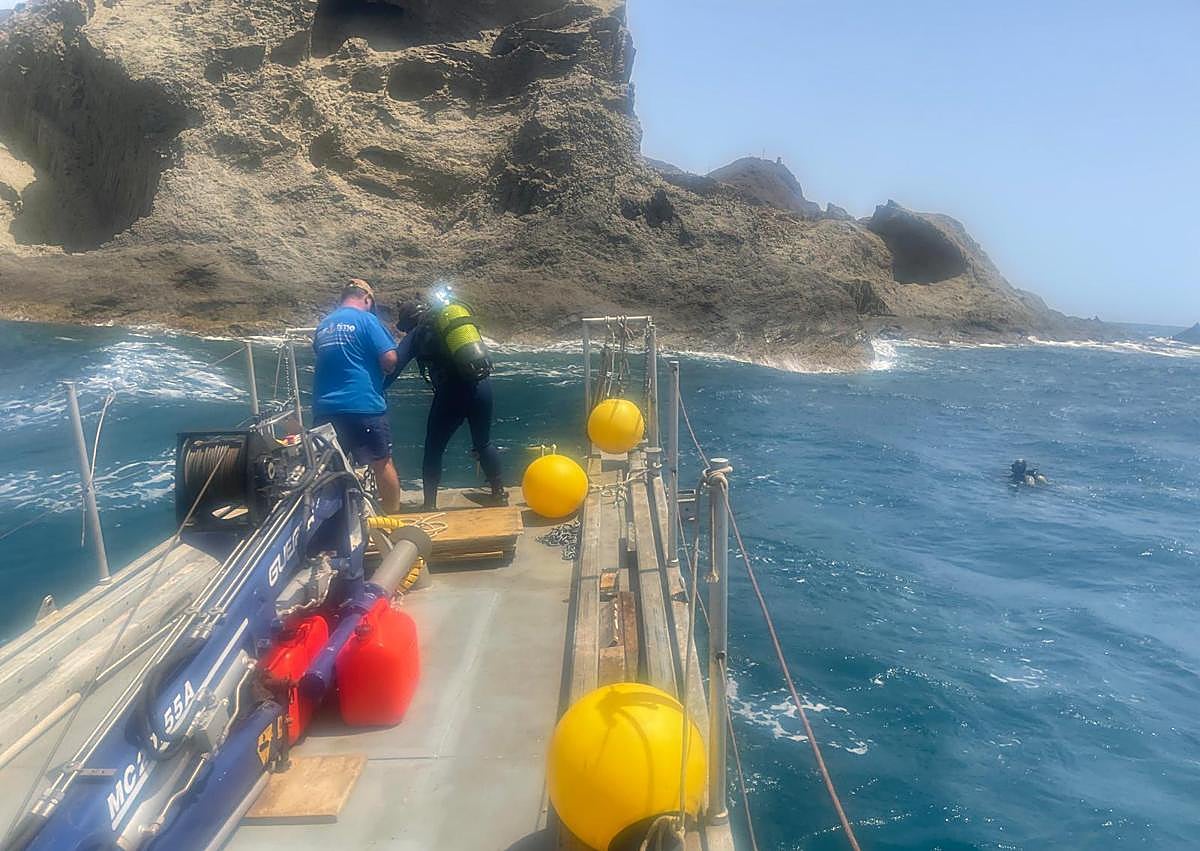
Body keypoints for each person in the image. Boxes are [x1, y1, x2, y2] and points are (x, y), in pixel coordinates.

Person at [390, 296, 505, 510]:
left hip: (452, 393)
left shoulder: (418, 332)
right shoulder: (452, 326)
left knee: (433, 450)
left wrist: (377, 389)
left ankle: (429, 505)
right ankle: (499, 494)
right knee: (483, 443)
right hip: (481, 385)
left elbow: (395, 365)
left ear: (409, 323)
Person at [312, 279, 402, 513]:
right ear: (367, 299)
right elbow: (390, 358)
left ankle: (333, 521)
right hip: (364, 406)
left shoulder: (324, 325)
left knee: (328, 469)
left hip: (325, 409)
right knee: (382, 463)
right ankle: (391, 519)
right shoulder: (367, 320)